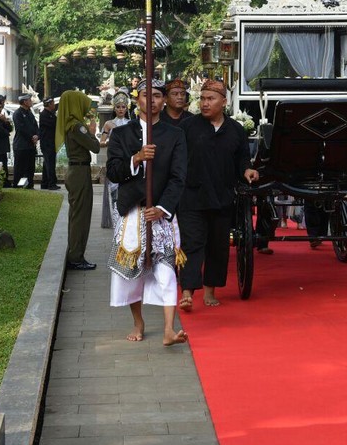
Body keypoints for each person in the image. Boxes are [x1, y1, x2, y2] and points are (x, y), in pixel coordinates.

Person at [106, 80, 188, 346]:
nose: (151, 100)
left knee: (165, 269)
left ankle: (168, 329)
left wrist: (163, 208)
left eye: (156, 95)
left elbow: (178, 176)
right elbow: (113, 172)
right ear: (136, 100)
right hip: (133, 211)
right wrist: (137, 158)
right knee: (133, 270)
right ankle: (138, 322)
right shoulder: (121, 135)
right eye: (145, 95)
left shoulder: (174, 135)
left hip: (160, 213)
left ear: (163, 101)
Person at [178, 80, 259, 309]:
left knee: (217, 246)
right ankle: (187, 292)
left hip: (222, 197)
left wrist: (247, 170)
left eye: (210, 99)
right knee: (192, 244)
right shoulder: (188, 127)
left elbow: (243, 159)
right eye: (202, 99)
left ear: (224, 102)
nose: (205, 103)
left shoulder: (235, 130)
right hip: (192, 197)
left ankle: (210, 291)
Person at [57, 91, 100, 271]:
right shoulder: (77, 127)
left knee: (77, 215)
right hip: (79, 172)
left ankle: (75, 254)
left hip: (77, 170)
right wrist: (92, 131)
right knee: (80, 217)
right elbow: (96, 147)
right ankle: (76, 257)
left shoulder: (72, 125)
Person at [100, 91, 130, 228]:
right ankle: (116, 219)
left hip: (128, 161)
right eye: (118, 107)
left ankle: (126, 220)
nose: (121, 109)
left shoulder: (131, 124)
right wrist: (111, 142)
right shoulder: (108, 124)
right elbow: (102, 141)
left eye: (123, 107)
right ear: (114, 108)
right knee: (114, 191)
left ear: (127, 108)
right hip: (114, 159)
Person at [12, 94, 39, 188]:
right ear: (24, 102)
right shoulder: (18, 114)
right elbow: (21, 129)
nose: (31, 101)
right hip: (21, 146)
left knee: (30, 168)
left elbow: (35, 126)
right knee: (20, 168)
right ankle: (18, 186)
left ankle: (29, 185)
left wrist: (37, 136)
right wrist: (32, 136)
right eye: (29, 100)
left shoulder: (29, 113)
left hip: (30, 145)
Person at [39, 97, 59, 190]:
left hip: (51, 142)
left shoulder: (51, 114)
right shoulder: (44, 115)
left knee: (47, 163)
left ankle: (45, 183)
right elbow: (54, 124)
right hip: (47, 143)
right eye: (53, 103)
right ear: (49, 104)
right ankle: (51, 184)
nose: (54, 105)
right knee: (49, 163)